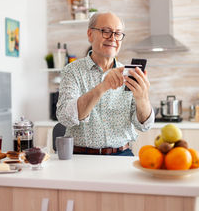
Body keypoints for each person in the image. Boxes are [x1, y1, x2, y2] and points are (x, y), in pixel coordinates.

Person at [56, 12, 154, 156]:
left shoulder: (129, 74)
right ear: (90, 34)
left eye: (118, 33)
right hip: (82, 157)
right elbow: (65, 116)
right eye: (106, 31)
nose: (113, 38)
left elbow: (144, 125)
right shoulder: (72, 71)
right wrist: (103, 86)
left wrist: (142, 98)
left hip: (122, 154)